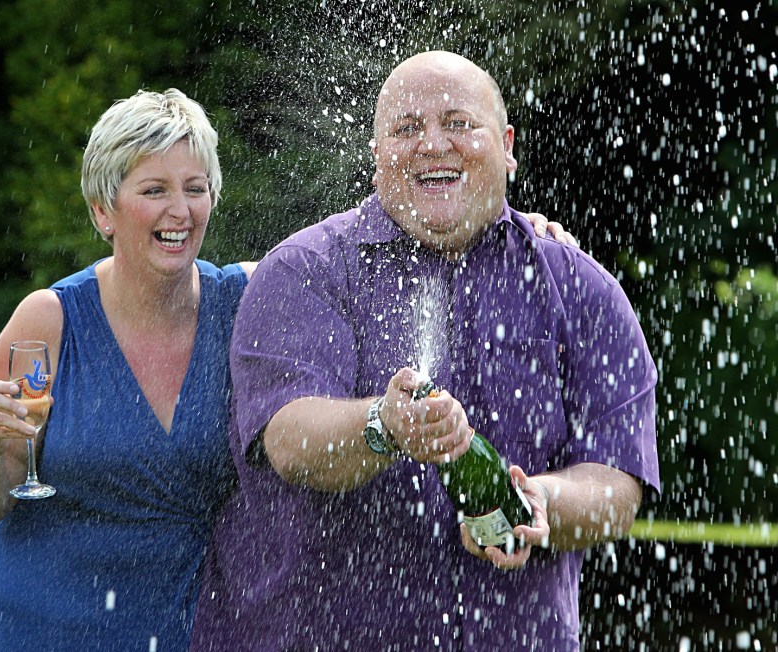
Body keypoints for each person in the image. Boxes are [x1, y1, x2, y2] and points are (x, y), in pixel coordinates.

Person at [190, 51, 659, 652]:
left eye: (459, 123)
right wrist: (383, 425)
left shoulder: (580, 289)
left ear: (508, 144)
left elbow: (617, 486)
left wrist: (538, 500)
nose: (433, 145)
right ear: (376, 152)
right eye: (407, 129)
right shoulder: (304, 271)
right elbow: (289, 440)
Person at [0, 89, 256, 651]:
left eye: (195, 188)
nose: (180, 211)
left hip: (193, 631)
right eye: (154, 190)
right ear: (102, 210)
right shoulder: (48, 319)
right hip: (42, 631)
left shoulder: (247, 301)